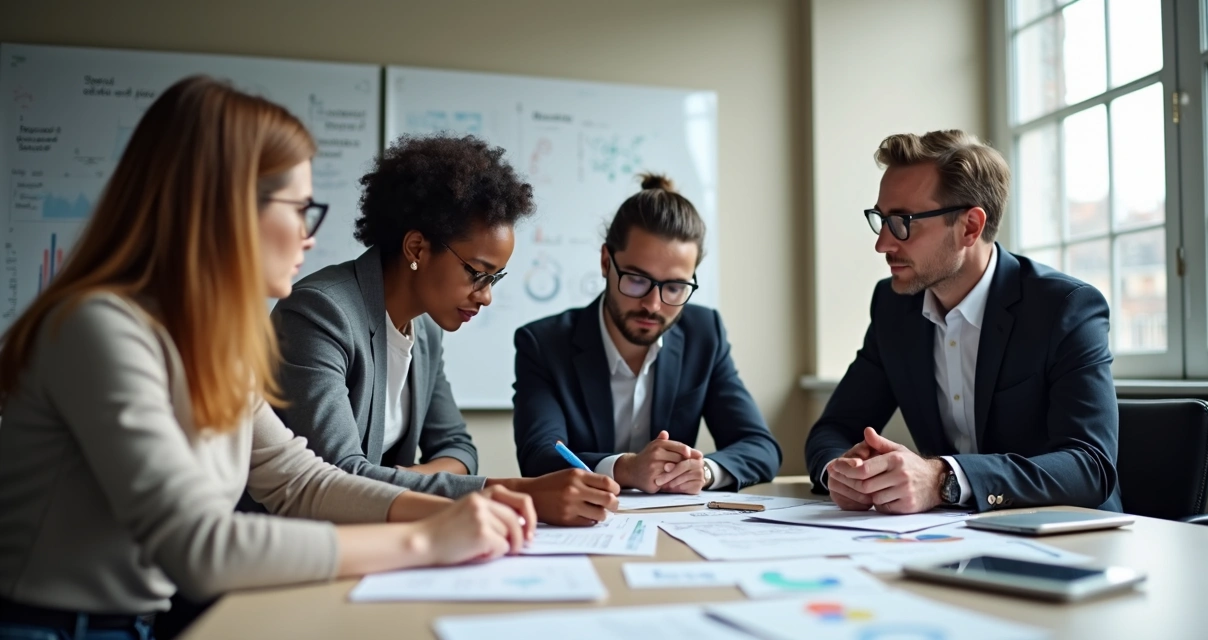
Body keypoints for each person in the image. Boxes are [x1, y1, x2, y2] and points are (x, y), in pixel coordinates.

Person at [0, 76, 535, 640]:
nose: (309, 237)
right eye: (301, 209)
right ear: (224, 208)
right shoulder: (99, 330)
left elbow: (303, 482)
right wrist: (427, 539)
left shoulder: (215, 341)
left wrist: (462, 510)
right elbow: (198, 546)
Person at [270, 134, 620, 527]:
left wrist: (393, 482)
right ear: (417, 248)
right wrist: (517, 492)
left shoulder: (425, 330)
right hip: (294, 548)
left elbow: (459, 448)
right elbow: (338, 480)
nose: (485, 297)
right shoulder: (321, 313)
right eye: (476, 274)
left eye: (494, 279)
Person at [804, 129, 1121, 515]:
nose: (883, 244)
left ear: (970, 226)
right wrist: (840, 472)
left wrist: (942, 480)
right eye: (881, 219)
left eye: (902, 221)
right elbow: (833, 429)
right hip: (948, 540)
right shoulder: (894, 307)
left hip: (1068, 542)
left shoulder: (1065, 308)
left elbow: (1089, 468)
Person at [513, 174, 781, 494]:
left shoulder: (704, 334)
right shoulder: (543, 344)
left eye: (674, 286)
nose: (653, 305)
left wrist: (705, 471)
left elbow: (759, 446)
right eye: (637, 280)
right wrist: (626, 468)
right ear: (605, 262)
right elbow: (539, 456)